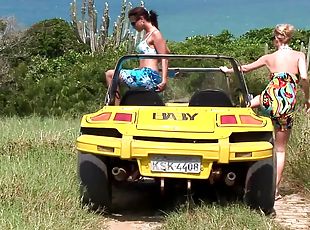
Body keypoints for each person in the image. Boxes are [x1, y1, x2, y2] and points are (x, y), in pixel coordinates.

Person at [220, 24, 310, 201]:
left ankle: (240, 121)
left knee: (256, 102)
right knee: (281, 149)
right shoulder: (299, 55)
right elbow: (305, 78)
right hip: (285, 103)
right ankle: (273, 190)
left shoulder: (270, 57)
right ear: (289, 37)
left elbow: (244, 68)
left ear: (276, 38)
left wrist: (227, 70)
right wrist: (307, 97)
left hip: (269, 98)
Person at [105, 6, 169, 104]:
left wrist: (164, 80)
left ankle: (116, 108)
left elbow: (165, 57)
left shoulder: (155, 33)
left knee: (110, 74)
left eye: (133, 23)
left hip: (149, 75)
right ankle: (119, 105)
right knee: (112, 75)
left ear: (142, 19)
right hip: (143, 73)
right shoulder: (148, 34)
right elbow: (166, 51)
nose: (133, 26)